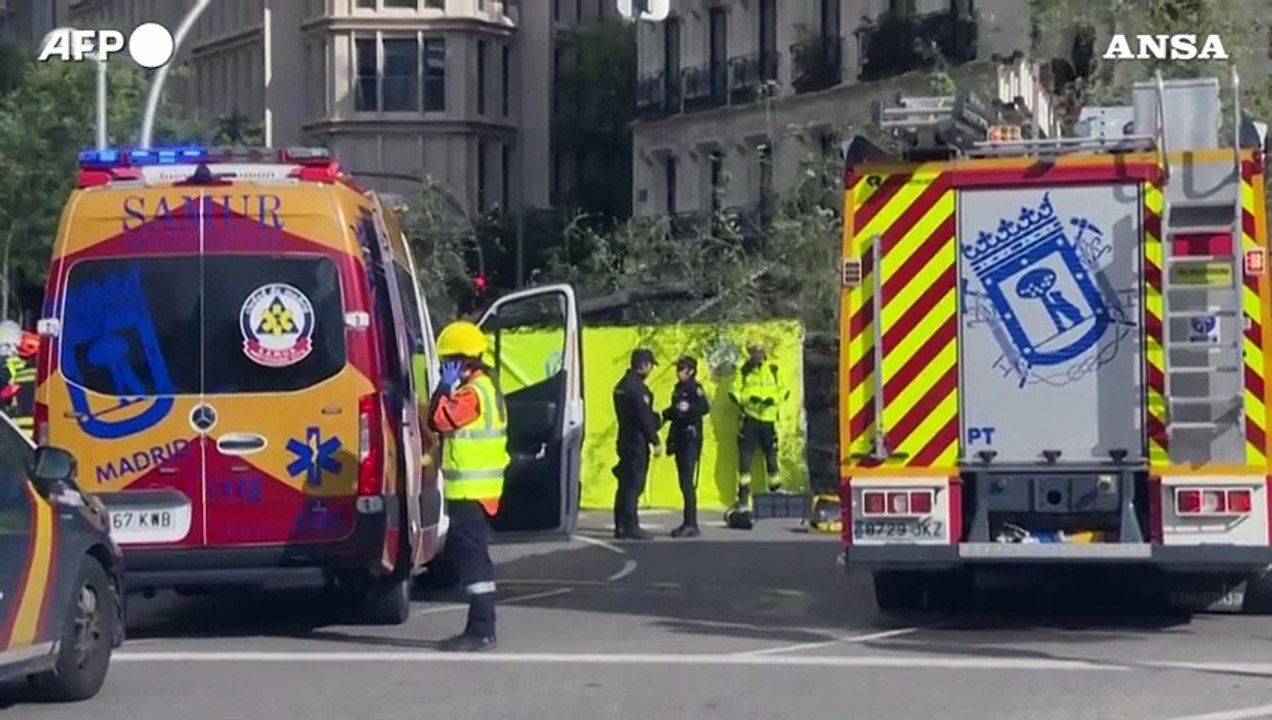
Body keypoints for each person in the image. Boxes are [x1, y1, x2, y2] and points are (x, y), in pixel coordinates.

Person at [428, 319, 510, 652]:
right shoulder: (489, 388)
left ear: (462, 360)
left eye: (449, 361)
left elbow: (438, 420)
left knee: (473, 560)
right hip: (479, 490)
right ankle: (479, 626)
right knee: (472, 557)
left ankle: (481, 629)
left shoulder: (471, 394)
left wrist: (441, 390)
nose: (447, 367)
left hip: (470, 491)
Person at [729, 339, 788, 513]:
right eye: (754, 351)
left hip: (768, 419)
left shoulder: (773, 369)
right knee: (745, 462)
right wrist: (747, 400)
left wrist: (773, 400)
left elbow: (783, 390)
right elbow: (735, 391)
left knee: (771, 457)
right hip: (750, 419)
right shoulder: (744, 371)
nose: (758, 354)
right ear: (750, 353)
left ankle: (776, 491)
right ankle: (743, 498)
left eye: (760, 351)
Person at [612, 347, 660, 540]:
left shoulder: (621, 385)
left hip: (624, 437)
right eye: (650, 366)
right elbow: (644, 418)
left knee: (624, 484)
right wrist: (655, 440)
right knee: (634, 485)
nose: (650, 371)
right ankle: (630, 525)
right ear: (644, 365)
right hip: (636, 442)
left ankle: (620, 525)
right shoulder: (638, 389)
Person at [662, 355, 710, 538]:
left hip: (690, 439)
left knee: (688, 484)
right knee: (684, 483)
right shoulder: (678, 388)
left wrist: (687, 408)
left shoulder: (694, 388)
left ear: (690, 371)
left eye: (682, 369)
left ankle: (691, 523)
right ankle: (687, 522)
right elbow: (674, 413)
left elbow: (704, 408)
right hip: (680, 438)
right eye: (678, 368)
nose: (678, 372)